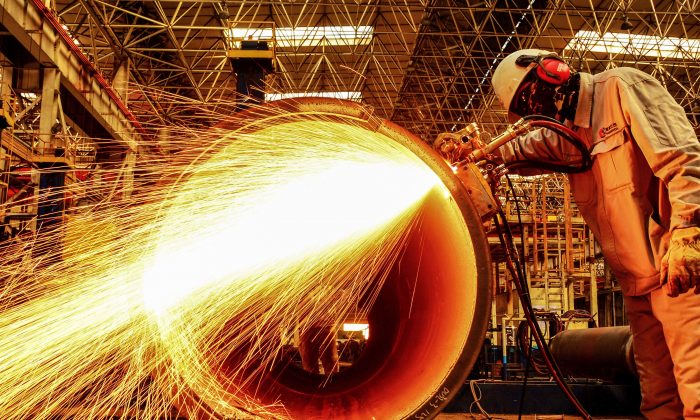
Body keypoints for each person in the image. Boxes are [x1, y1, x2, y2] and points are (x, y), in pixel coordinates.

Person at [490, 49, 700, 418]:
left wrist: (689, 230)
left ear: (552, 71)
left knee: (697, 389)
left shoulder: (621, 88)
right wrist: (479, 153)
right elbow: (522, 149)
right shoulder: (570, 135)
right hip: (638, 282)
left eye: (533, 95)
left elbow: (683, 158)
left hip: (678, 268)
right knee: (659, 399)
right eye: (527, 107)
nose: (538, 107)